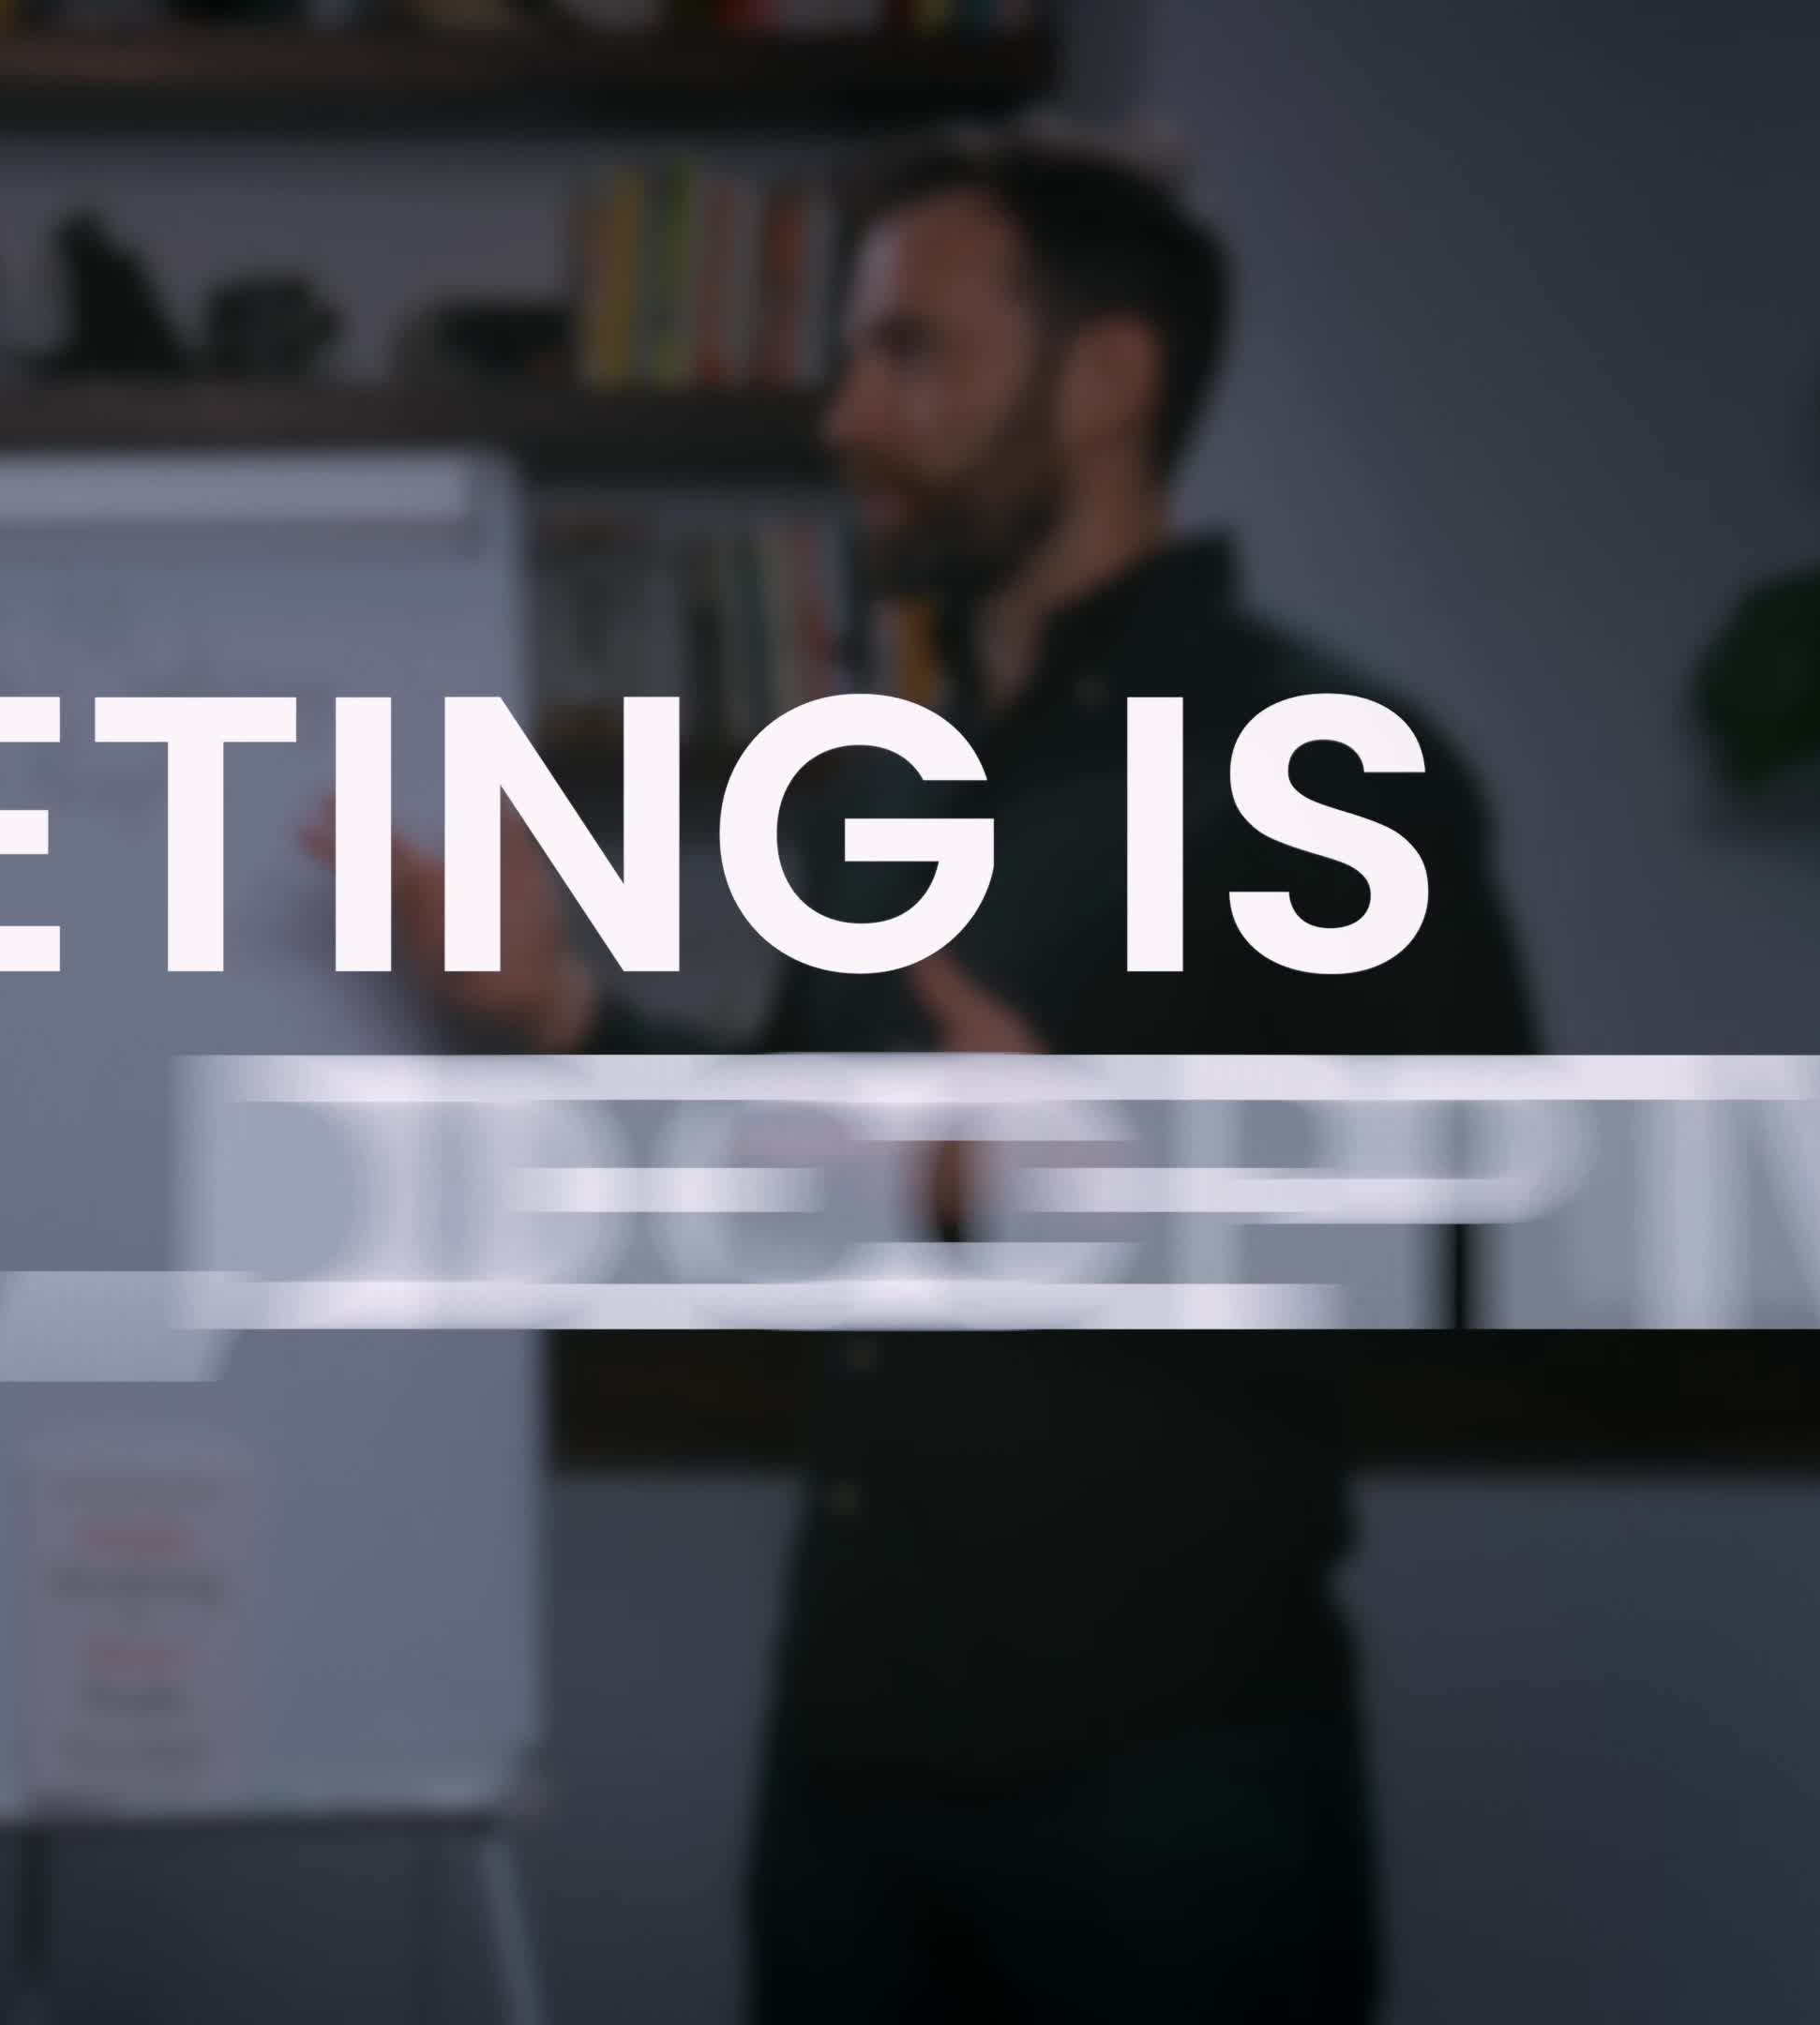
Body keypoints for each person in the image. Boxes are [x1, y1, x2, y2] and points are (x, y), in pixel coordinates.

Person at [341, 134, 1539, 2021]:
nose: (844, 419)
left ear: (1107, 378)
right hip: (849, 1776)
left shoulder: (1320, 761)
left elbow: (1487, 1248)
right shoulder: (884, 788)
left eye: (909, 355)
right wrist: (564, 1015)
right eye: (848, 362)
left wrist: (1104, 1182)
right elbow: (792, 1179)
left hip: (1175, 1798)